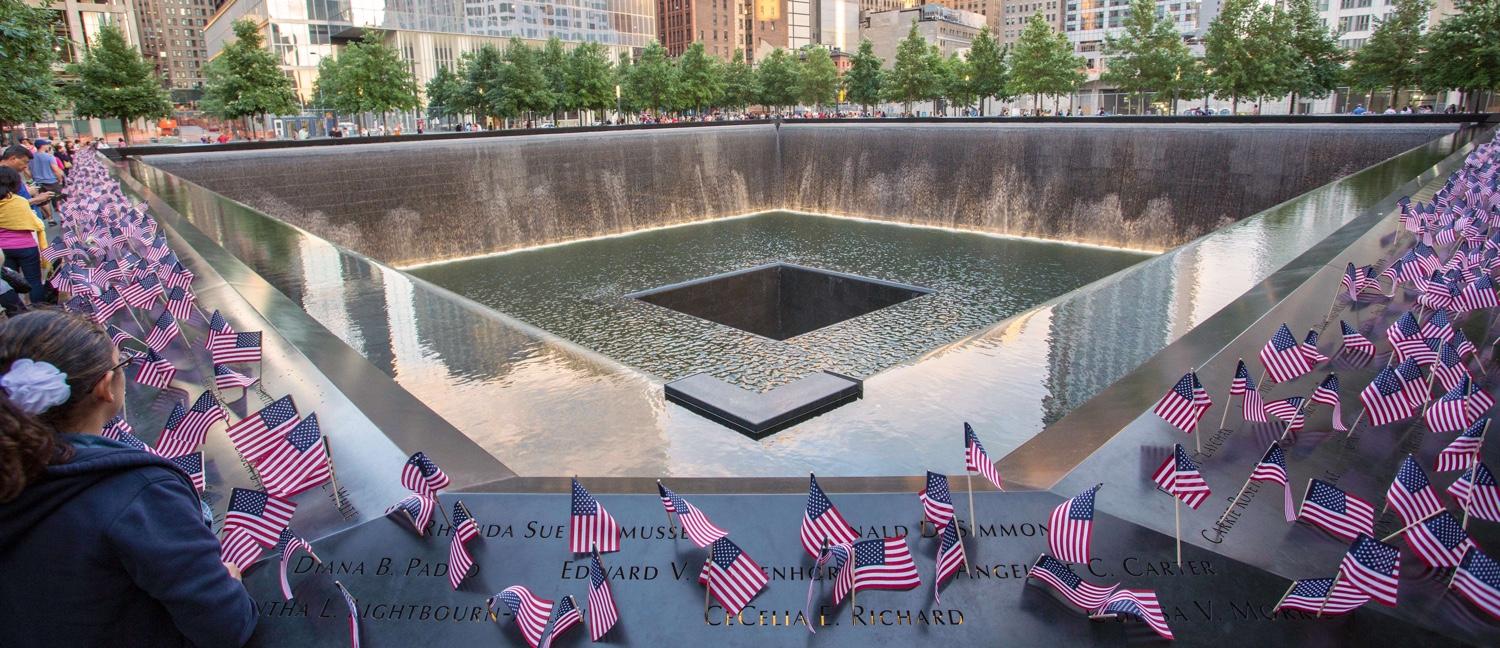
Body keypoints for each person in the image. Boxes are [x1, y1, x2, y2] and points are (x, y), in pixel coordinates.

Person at [0, 310, 258, 647]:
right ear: (106, 387)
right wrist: (229, 582)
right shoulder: (139, 494)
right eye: (122, 364)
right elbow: (227, 626)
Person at [0, 168, 47, 303]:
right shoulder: (19, 201)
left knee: (9, 282)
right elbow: (34, 223)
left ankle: (16, 312)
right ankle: (38, 311)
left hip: (3, 250)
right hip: (26, 247)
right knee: (34, 281)